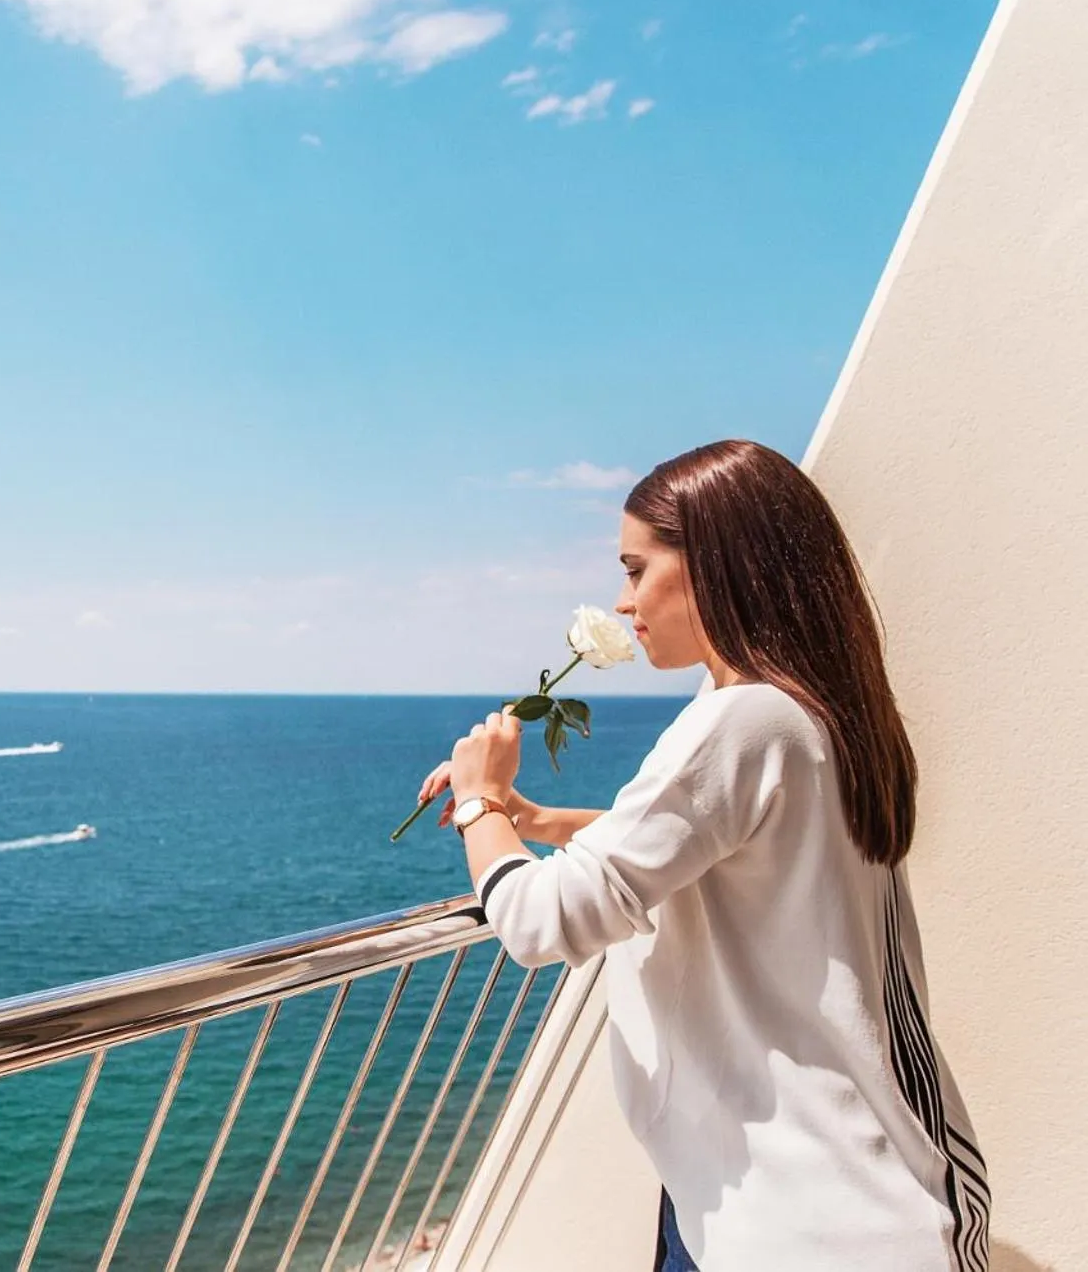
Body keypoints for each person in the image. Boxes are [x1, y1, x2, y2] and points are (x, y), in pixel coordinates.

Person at [417, 440, 989, 1272]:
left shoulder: (741, 720)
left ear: (716, 565)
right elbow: (713, 846)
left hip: (802, 1221)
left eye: (635, 568)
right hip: (824, 1195)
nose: (622, 602)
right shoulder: (812, 712)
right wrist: (535, 818)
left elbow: (542, 924)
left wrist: (477, 797)